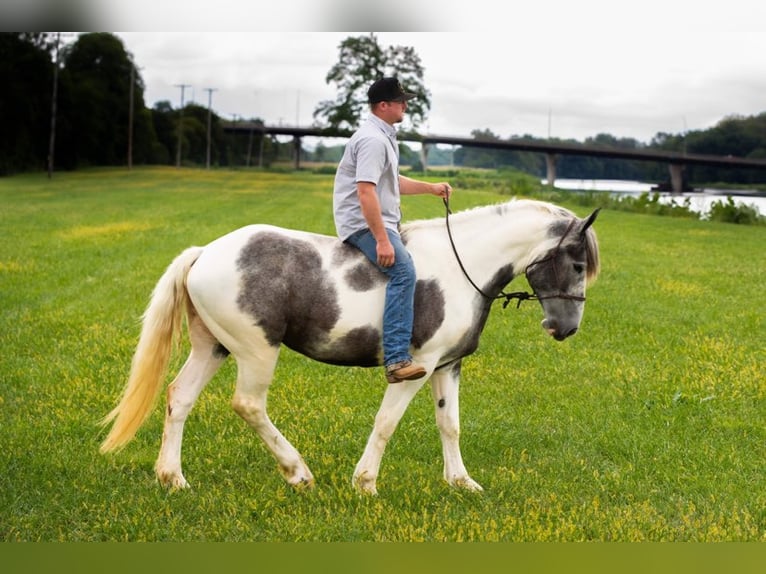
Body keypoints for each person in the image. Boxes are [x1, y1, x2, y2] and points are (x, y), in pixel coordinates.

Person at [333, 77, 452, 383]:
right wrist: (382, 240)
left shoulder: (383, 136)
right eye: (401, 101)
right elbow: (365, 192)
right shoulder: (373, 139)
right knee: (403, 271)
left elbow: (391, 181)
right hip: (364, 224)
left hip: (377, 221)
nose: (406, 106)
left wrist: (430, 188)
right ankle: (397, 358)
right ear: (383, 106)